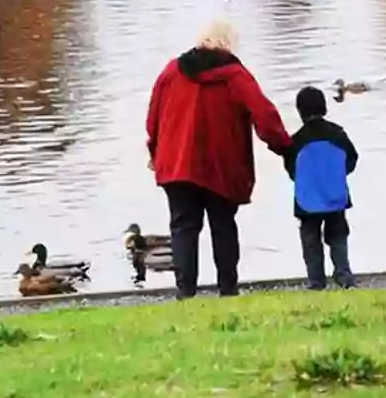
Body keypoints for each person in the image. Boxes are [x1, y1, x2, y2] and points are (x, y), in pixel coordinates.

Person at [146, 19, 291, 299]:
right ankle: (227, 289)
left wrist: (156, 151)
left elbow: (153, 117)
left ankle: (185, 292)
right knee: (223, 227)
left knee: (183, 227)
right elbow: (264, 116)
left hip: (177, 165)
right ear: (228, 43)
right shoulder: (235, 75)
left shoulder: (171, 71)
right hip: (221, 166)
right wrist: (284, 147)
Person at [283, 86, 358, 290]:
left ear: (300, 111)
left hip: (306, 199)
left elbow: (291, 169)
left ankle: (316, 281)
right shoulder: (338, 134)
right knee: (338, 236)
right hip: (335, 195)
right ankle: (344, 276)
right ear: (324, 106)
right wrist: (336, 175)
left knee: (310, 240)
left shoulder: (296, 140)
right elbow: (352, 159)